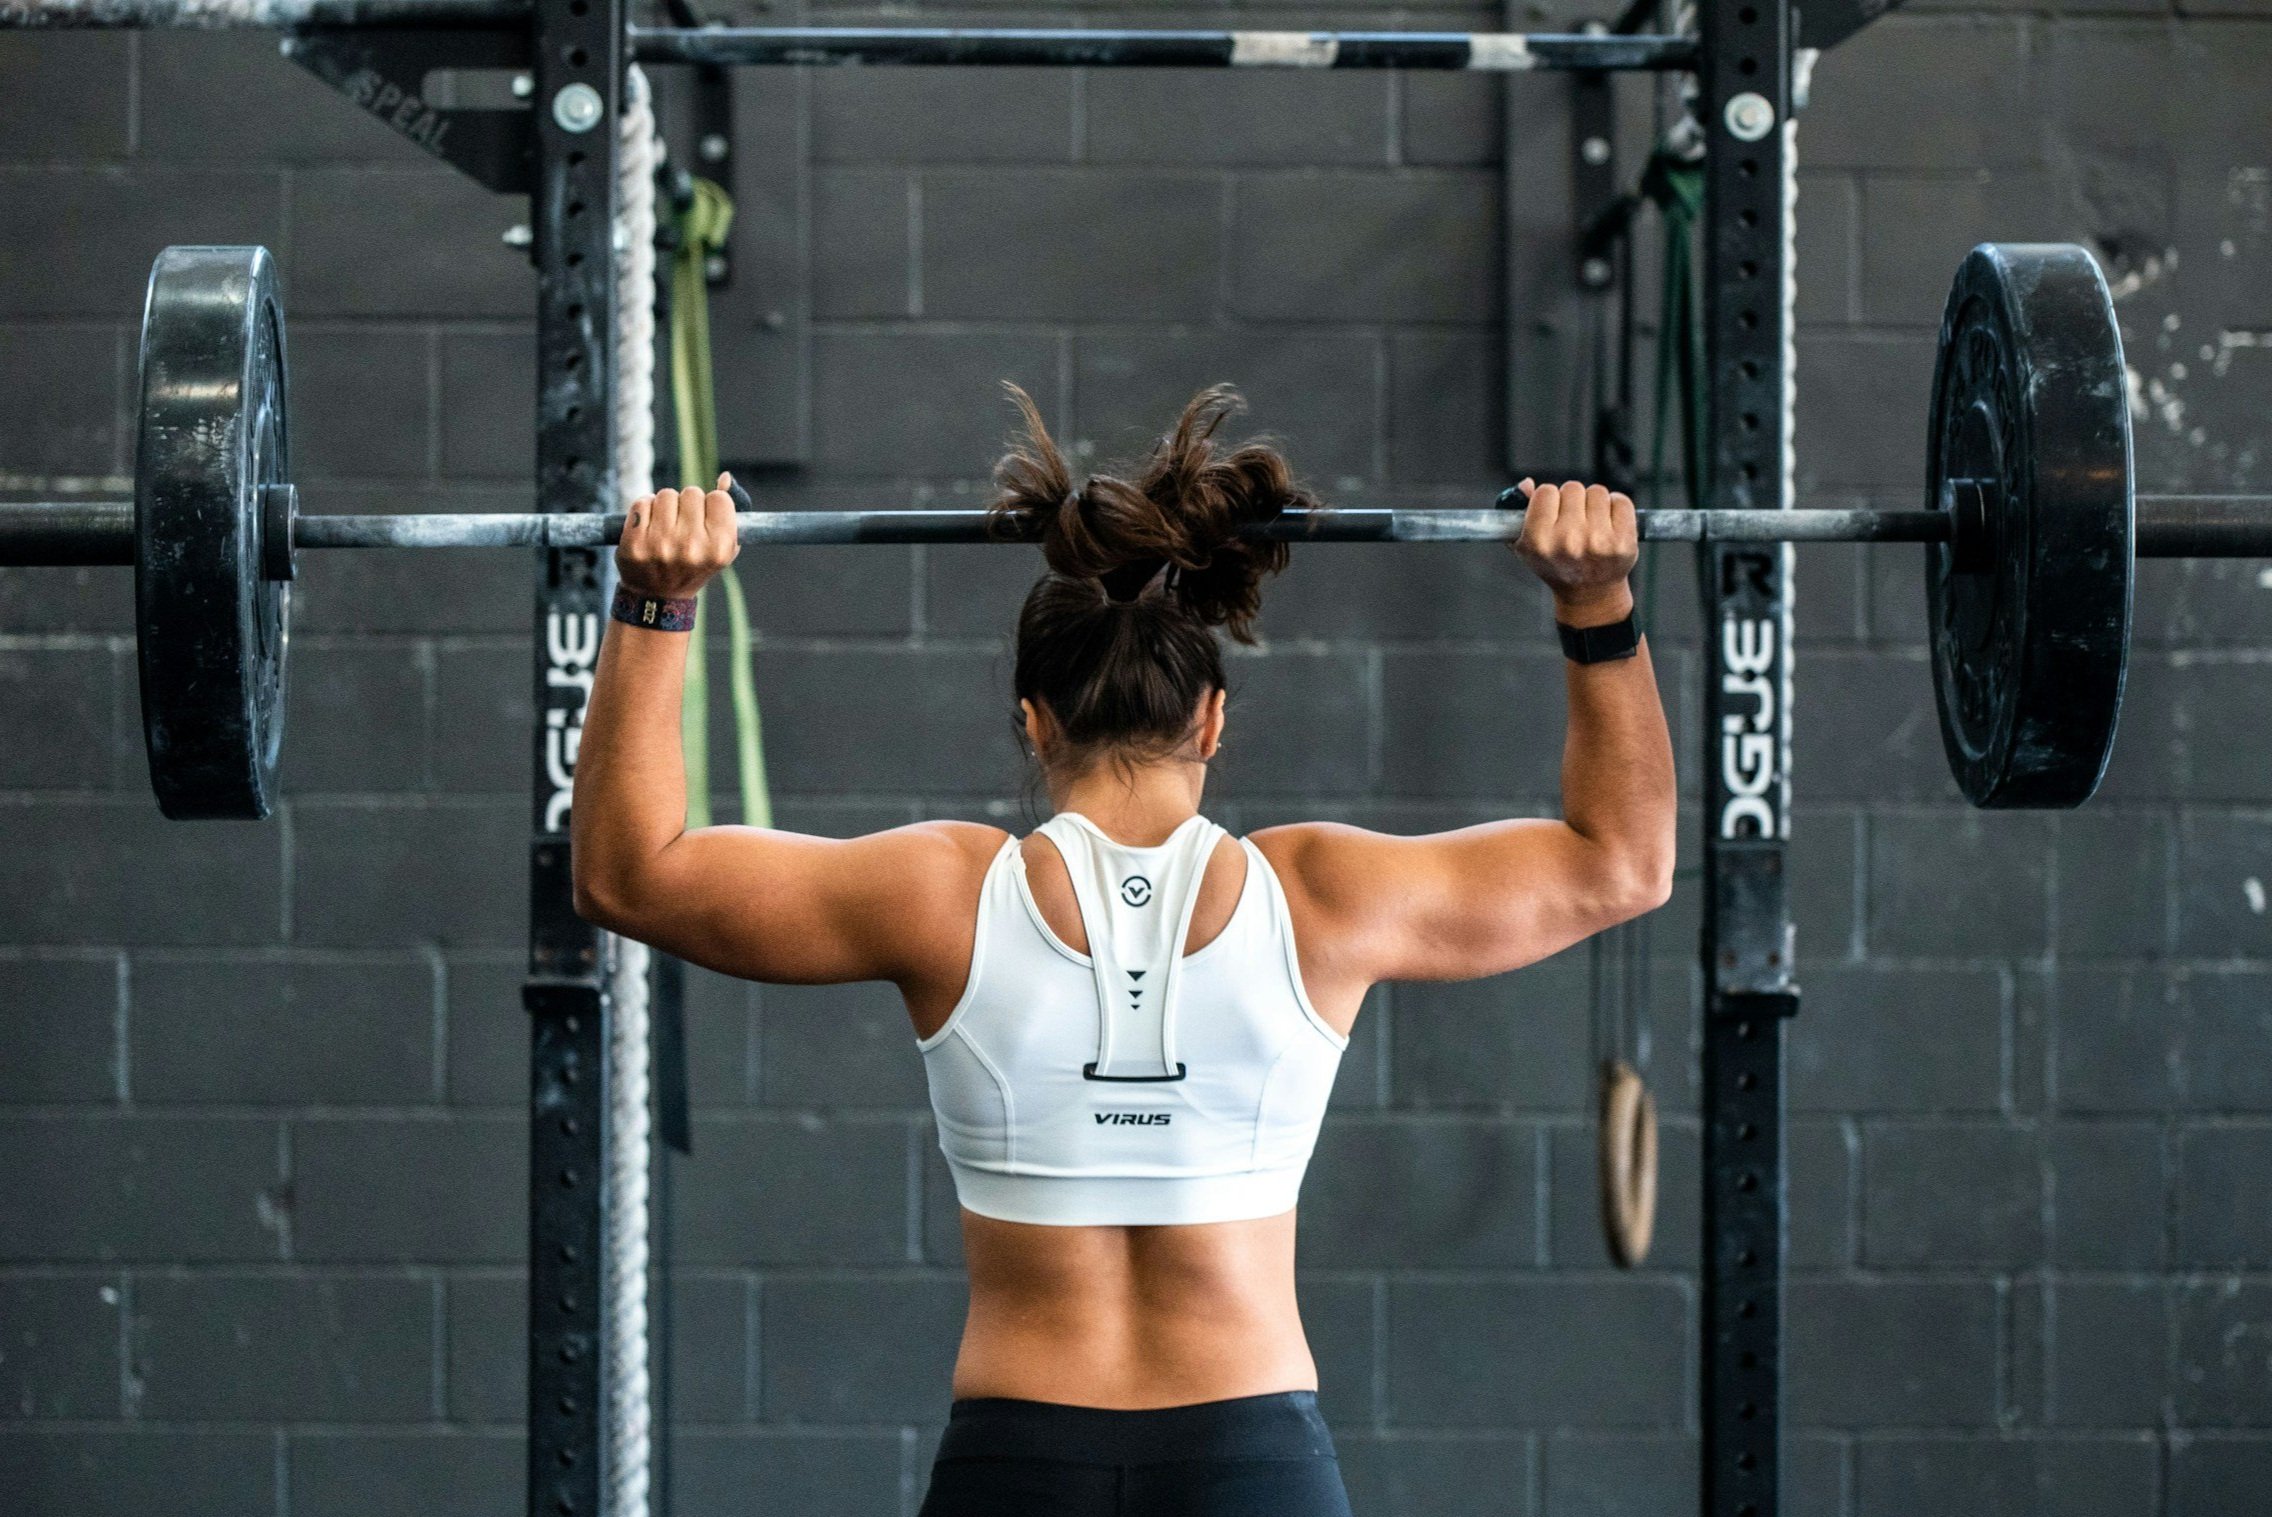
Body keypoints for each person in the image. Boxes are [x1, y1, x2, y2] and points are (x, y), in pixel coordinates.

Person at [571, 385, 1676, 1517]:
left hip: (1018, 1460)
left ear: (1032, 720)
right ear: (1212, 719)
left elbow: (627, 872)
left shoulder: (942, 894)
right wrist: (1597, 602)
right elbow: (1621, 862)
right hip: (1254, 1462)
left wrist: (655, 607)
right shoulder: (1321, 896)